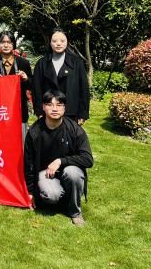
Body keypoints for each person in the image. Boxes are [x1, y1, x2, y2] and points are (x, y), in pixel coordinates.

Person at [24, 89, 93, 226]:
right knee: (52, 195)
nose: (54, 109)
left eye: (59, 105)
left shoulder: (74, 130)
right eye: (50, 104)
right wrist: (30, 192)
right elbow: (29, 164)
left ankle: (75, 212)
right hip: (46, 173)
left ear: (64, 108)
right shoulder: (34, 132)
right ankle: (64, 198)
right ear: (43, 107)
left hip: (68, 171)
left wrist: (61, 161)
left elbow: (88, 159)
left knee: (73, 173)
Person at [32, 28, 90, 124]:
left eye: (62, 41)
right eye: (54, 41)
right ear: (50, 42)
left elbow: (84, 89)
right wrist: (39, 111)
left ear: (67, 42)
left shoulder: (77, 62)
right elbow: (36, 89)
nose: (58, 44)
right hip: (49, 112)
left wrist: (83, 113)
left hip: (71, 112)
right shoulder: (42, 63)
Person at [0, 31, 33, 139]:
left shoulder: (23, 63)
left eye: (9, 42)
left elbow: (32, 85)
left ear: (13, 44)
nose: (6, 45)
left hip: (19, 111)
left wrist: (26, 79)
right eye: (2, 42)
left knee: (19, 142)